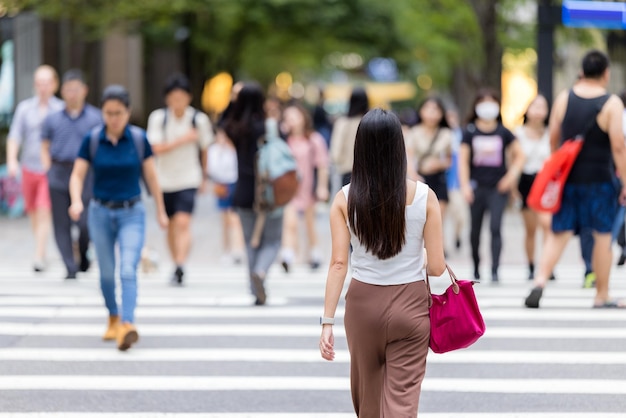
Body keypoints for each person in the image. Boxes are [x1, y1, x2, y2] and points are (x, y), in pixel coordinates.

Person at [319, 108, 446, 417]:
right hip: (411, 306)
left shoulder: (344, 199)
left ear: (359, 148)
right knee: (402, 403)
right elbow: (437, 267)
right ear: (399, 148)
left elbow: (339, 263)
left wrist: (327, 322)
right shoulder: (425, 197)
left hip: (363, 306)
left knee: (369, 404)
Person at [68, 85, 168, 350]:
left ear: (128, 112)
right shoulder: (91, 140)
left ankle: (127, 324)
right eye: (109, 113)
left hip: (131, 212)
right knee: (107, 275)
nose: (114, 118)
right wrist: (77, 200)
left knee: (127, 270)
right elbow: (77, 175)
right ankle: (113, 315)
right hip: (100, 212)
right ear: (102, 112)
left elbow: (152, 177)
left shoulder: (138, 139)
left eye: (119, 113)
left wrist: (160, 210)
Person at [525, 50, 626, 309]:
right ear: (606, 73)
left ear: (581, 71)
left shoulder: (563, 98)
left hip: (568, 180)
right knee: (602, 237)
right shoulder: (612, 103)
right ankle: (601, 295)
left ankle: (539, 282)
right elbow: (618, 146)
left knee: (559, 233)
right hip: (600, 180)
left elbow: (554, 138)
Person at [146, 73, 213, 285]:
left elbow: (205, 149)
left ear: (189, 98)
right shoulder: (158, 118)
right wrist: (183, 139)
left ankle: (181, 264)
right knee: (171, 225)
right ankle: (176, 262)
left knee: (183, 222)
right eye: (173, 97)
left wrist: (204, 176)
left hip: (189, 178)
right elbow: (155, 148)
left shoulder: (198, 120)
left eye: (181, 97)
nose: (177, 102)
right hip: (163, 180)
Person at [223, 82, 283, 306]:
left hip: (244, 192)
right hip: (270, 193)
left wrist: (232, 100)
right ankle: (261, 271)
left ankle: (253, 287)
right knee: (273, 240)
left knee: (250, 242)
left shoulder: (235, 127)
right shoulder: (269, 127)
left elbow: (221, 122)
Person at [40, 69, 102, 279]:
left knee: (85, 222)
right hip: (58, 172)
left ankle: (83, 253)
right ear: (62, 91)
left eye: (76, 89)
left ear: (84, 90)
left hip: (86, 174)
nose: (72, 94)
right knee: (61, 223)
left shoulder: (95, 118)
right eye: (68, 90)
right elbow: (44, 145)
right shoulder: (52, 119)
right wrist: (47, 169)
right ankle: (70, 266)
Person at [459, 88, 525, 283]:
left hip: (498, 188)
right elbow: (463, 160)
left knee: (496, 227)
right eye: (483, 101)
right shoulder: (469, 131)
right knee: (475, 231)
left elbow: (520, 155)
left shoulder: (503, 132)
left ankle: (495, 269)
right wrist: (465, 186)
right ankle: (476, 267)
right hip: (476, 187)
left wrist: (510, 176)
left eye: (491, 101)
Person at [6, 65, 64, 271]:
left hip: (50, 169)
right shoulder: (24, 109)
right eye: (39, 83)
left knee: (43, 209)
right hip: (28, 167)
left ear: (55, 84)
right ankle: (41, 248)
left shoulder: (60, 110)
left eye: (47, 82)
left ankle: (39, 255)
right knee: (32, 210)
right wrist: (12, 160)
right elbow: (15, 136)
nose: (43, 87)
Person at [279, 102, 329, 272]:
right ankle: (288, 253)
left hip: (309, 187)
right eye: (287, 118)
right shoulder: (284, 140)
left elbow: (322, 165)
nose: (290, 121)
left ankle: (314, 253)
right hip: (289, 188)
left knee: (309, 223)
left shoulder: (314, 139)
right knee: (290, 222)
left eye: (294, 117)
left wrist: (322, 187)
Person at [515, 94, 553, 280]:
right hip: (525, 181)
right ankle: (530, 265)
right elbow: (512, 161)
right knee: (531, 228)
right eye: (535, 106)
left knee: (547, 225)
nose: (538, 111)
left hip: (545, 181)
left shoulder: (551, 133)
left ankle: (547, 265)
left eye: (542, 107)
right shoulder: (518, 133)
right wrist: (513, 189)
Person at [406, 96, 453, 230]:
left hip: (439, 179)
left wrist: (439, 164)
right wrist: (413, 175)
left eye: (436, 109)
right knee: (421, 220)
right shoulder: (414, 132)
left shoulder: (446, 133)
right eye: (428, 109)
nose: (432, 113)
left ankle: (437, 247)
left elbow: (450, 159)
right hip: (421, 179)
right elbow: (409, 157)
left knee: (438, 218)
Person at [207, 129, 245, 265]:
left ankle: (238, 249)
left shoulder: (234, 149)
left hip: (234, 183)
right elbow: (212, 169)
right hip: (221, 184)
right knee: (224, 220)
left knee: (234, 219)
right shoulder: (213, 150)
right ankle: (226, 250)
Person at [330, 87, 369, 186]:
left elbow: (335, 152)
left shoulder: (343, 123)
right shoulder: (369, 122)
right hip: (368, 171)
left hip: (347, 171)